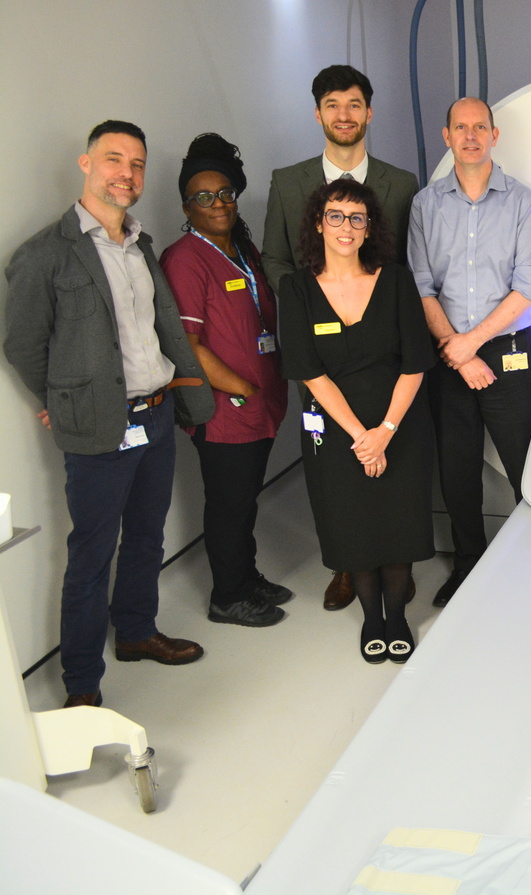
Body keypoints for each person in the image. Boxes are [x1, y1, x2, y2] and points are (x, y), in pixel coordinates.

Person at [4, 121, 213, 707]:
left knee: (147, 536)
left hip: (155, 416)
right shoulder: (45, 254)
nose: (127, 173)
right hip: (100, 427)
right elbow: (22, 344)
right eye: (114, 159)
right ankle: (81, 687)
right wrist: (56, 402)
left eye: (137, 164)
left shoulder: (141, 246)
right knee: (91, 555)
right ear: (86, 164)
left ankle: (138, 632)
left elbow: (155, 330)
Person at [261, 64, 420, 613]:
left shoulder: (400, 184)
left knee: (389, 458)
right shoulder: (288, 181)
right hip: (321, 348)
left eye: (354, 104)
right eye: (333, 104)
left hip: (383, 341)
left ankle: (394, 556)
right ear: (318, 113)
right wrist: (310, 306)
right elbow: (276, 259)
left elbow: (406, 262)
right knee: (335, 467)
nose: (344, 115)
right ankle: (348, 568)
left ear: (368, 113)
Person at [278, 179, 436, 663]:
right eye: (335, 216)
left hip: (399, 421)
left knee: (396, 520)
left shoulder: (396, 280)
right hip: (336, 428)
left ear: (369, 229)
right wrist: (361, 438)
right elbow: (308, 371)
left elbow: (415, 362)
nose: (345, 227)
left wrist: (384, 432)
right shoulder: (297, 288)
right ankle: (371, 618)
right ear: (318, 224)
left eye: (356, 218)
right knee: (353, 524)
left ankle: (397, 616)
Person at [409, 97, 531, 607]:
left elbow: (528, 283)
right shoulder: (426, 205)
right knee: (457, 469)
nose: (470, 136)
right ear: (446, 136)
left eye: (480, 127)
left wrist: (472, 343)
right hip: (448, 358)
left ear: (495, 134)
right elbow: (421, 284)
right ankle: (468, 566)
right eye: (460, 128)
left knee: (526, 466)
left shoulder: (520, 202)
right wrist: (458, 352)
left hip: (506, 351)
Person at [161, 134, 291, 628]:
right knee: (229, 504)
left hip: (258, 402)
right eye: (203, 197)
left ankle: (246, 577)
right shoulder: (185, 260)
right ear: (186, 206)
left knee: (243, 500)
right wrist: (242, 388)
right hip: (225, 411)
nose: (218, 204)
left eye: (225, 194)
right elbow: (189, 347)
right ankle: (228, 596)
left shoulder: (242, 249)